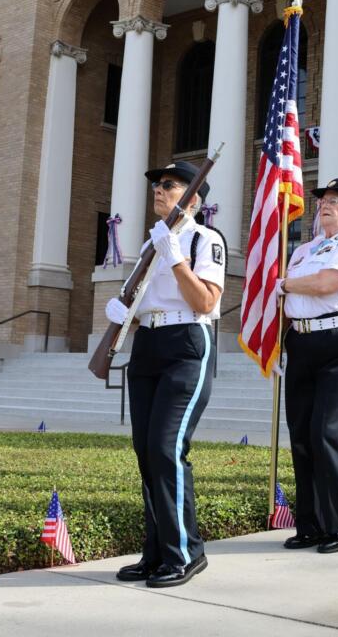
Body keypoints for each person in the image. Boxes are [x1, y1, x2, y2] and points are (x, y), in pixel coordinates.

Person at [108, 161, 225, 588]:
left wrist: (175, 257)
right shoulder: (149, 244)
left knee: (166, 448)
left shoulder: (204, 239)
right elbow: (144, 303)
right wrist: (123, 312)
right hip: (149, 346)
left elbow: (206, 301)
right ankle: (156, 553)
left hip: (187, 345)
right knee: (145, 451)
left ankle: (186, 553)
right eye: (156, 185)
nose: (158, 190)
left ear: (192, 198)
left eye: (169, 185)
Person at [277, 177, 338, 554]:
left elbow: (329, 283)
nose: (326, 206)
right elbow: (298, 291)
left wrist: (286, 284)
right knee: (302, 435)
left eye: (337, 200)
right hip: (302, 342)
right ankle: (312, 524)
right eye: (323, 201)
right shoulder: (304, 251)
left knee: (330, 432)